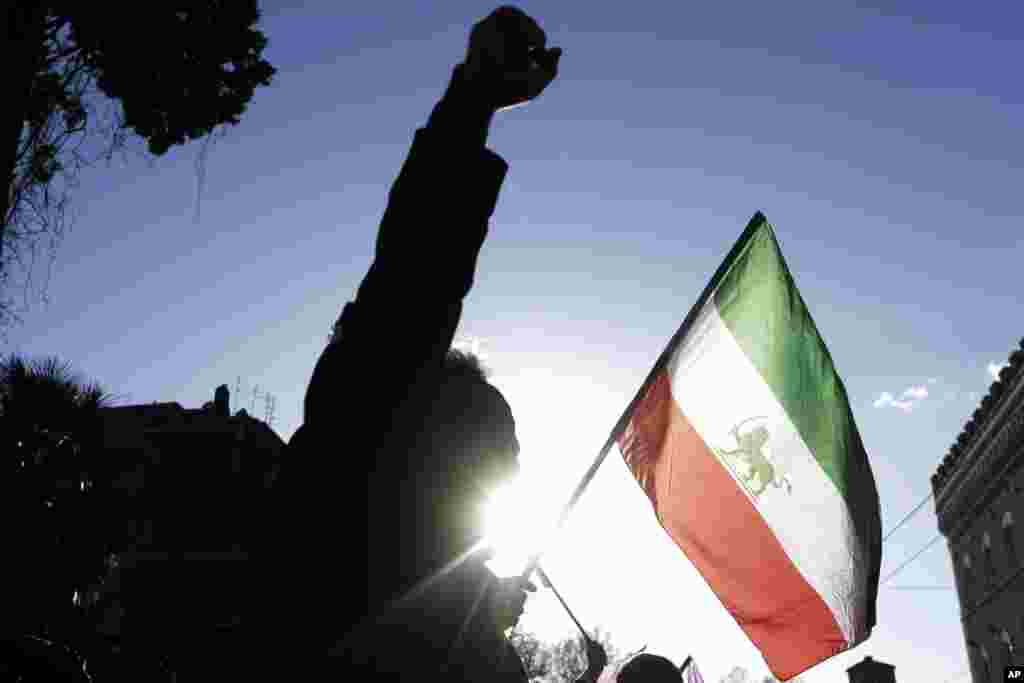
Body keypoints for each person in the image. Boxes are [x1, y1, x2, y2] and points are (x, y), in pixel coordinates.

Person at [254, 6, 563, 681]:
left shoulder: (456, 627)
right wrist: (475, 97)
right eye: (494, 463)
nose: (503, 481)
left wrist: (477, 607)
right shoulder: (347, 516)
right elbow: (416, 277)